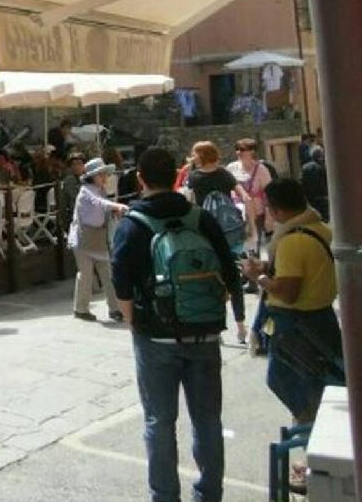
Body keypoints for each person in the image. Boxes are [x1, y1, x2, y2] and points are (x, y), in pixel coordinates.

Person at [111, 147, 244, 502]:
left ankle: (165, 496)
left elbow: (121, 283)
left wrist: (132, 321)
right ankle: (209, 493)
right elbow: (229, 271)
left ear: (140, 179)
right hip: (203, 330)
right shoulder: (200, 218)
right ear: (176, 176)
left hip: (155, 334)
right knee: (207, 420)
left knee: (159, 422)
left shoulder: (131, 224)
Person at [241, 178, 342, 426]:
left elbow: (287, 292)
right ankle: (314, 425)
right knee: (319, 379)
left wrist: (258, 276)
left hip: (296, 325)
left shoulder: (292, 241)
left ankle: (310, 428)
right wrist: (267, 266)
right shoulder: (319, 229)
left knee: (289, 381)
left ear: (277, 210)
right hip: (321, 316)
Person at [69, 158, 129, 322]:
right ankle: (81, 309)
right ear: (92, 177)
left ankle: (115, 308)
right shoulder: (86, 191)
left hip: (98, 237)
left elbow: (103, 206)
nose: (104, 177)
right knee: (86, 275)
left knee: (108, 274)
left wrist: (114, 210)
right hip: (83, 238)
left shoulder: (99, 190)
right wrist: (116, 206)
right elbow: (99, 203)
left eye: (104, 174)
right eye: (100, 174)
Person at [186, 141, 250, 258]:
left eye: (195, 155)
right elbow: (243, 194)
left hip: (205, 223)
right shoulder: (224, 173)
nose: (193, 158)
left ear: (202, 156)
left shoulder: (193, 176)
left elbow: (189, 200)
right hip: (227, 223)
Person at [227, 139, 273, 251]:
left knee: (255, 246)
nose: (238, 152)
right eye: (237, 149)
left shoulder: (261, 169)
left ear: (252, 151)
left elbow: (269, 193)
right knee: (242, 247)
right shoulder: (231, 168)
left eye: (242, 150)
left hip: (257, 214)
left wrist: (269, 216)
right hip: (237, 215)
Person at [300, 146, 329, 221]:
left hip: (310, 199)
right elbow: (326, 182)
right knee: (324, 219)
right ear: (320, 156)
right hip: (322, 198)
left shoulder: (305, 167)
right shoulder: (323, 167)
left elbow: (301, 182)